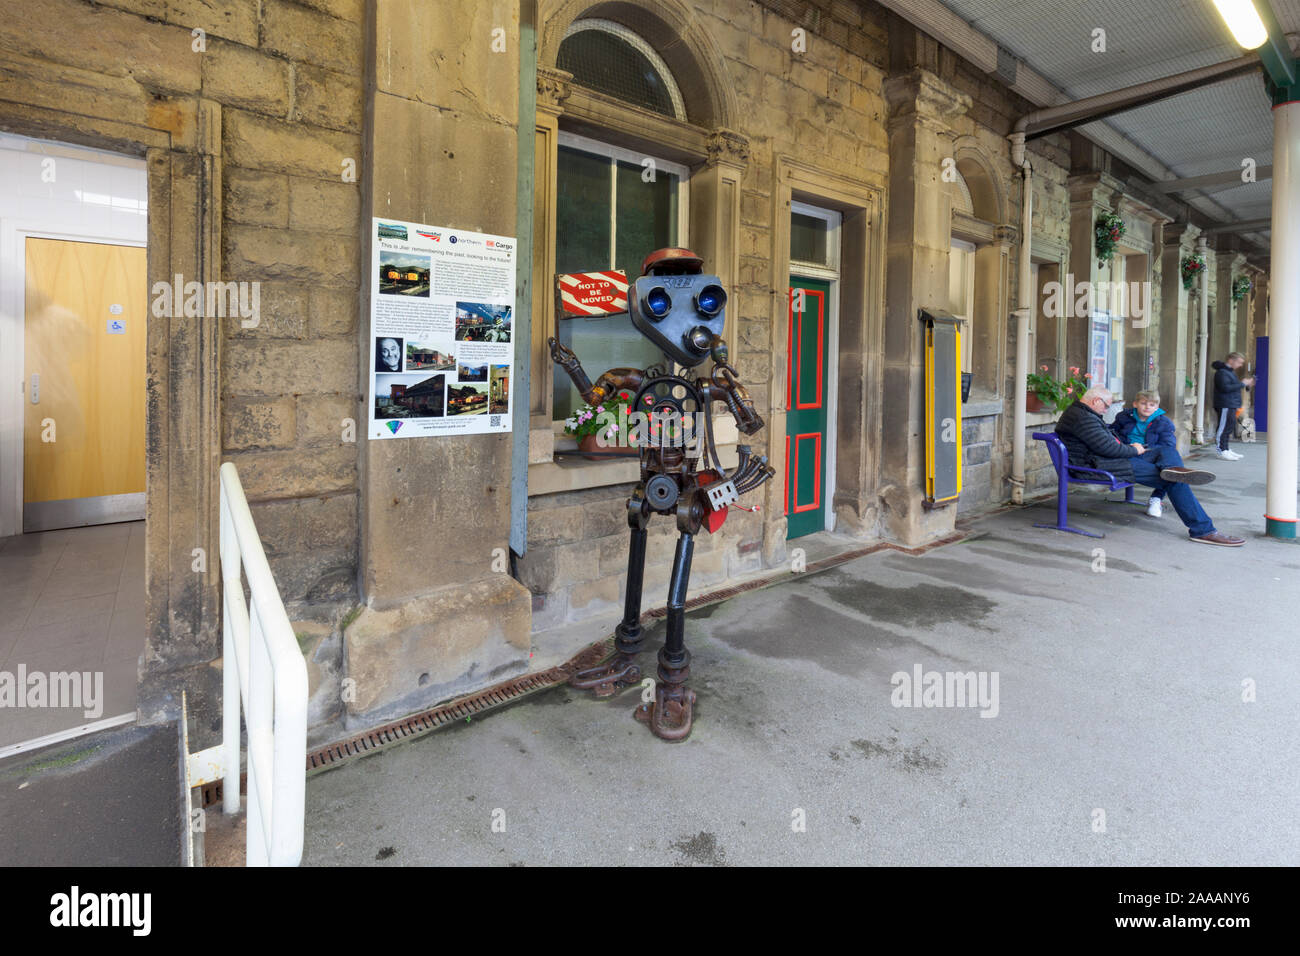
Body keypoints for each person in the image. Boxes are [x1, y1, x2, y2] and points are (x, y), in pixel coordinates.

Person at [1055, 386, 1244, 546]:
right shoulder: (1082, 418)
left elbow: (1107, 442)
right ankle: (1202, 530)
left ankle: (1175, 469)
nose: (1107, 409)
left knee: (1166, 451)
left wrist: (1130, 448)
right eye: (1106, 405)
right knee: (1174, 482)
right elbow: (1107, 448)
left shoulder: (1084, 413)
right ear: (1096, 401)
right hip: (1101, 465)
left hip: (1111, 459)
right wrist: (1134, 450)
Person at [1110, 389, 1178, 518]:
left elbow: (1168, 445)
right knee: (1172, 472)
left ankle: (1156, 498)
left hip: (1149, 454)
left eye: (1152, 405)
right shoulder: (1123, 417)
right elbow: (1112, 433)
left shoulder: (1164, 422)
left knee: (1169, 467)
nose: (1147, 407)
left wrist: (1145, 449)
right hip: (1126, 452)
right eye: (1144, 403)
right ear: (1135, 404)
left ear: (1157, 406)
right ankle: (1173, 479)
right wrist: (1123, 446)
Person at [1211, 351, 1255, 460]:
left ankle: (1226, 449)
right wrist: (1242, 383)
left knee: (1229, 427)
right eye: (1239, 362)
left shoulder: (1230, 372)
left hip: (1231, 404)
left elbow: (1233, 387)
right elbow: (1225, 388)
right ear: (1231, 360)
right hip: (1224, 404)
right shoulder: (1221, 372)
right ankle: (1221, 450)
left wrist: (1247, 385)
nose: (1240, 365)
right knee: (1223, 428)